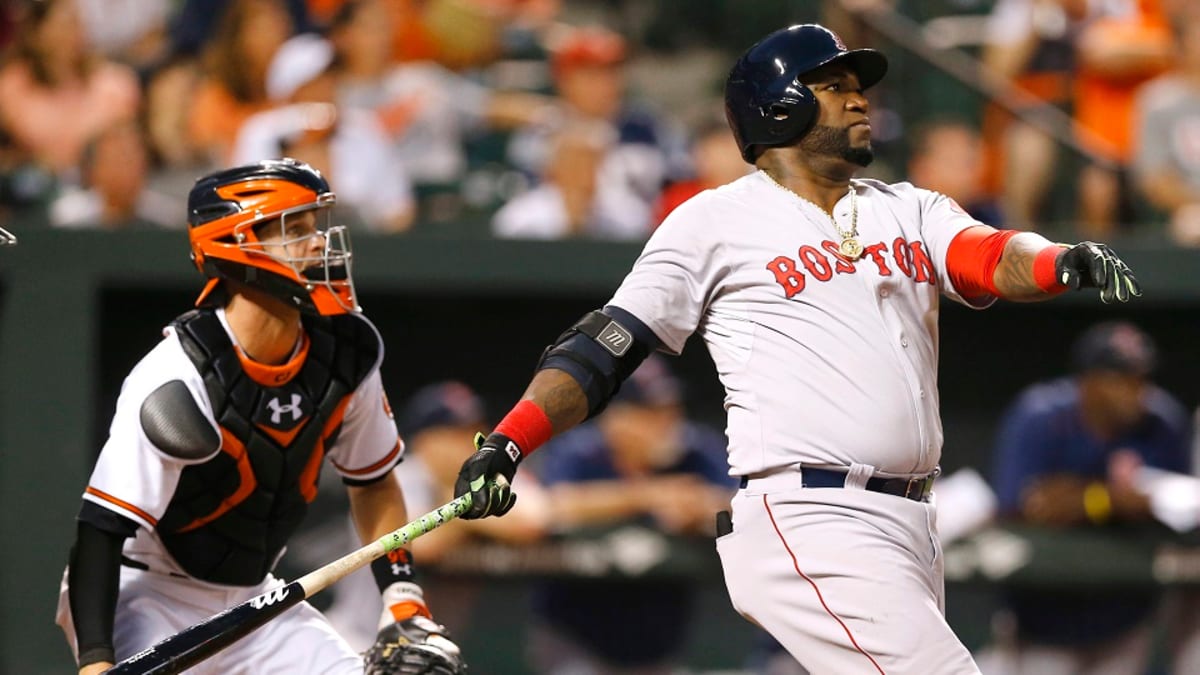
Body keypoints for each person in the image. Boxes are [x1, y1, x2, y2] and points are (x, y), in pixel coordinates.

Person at [450, 24, 1142, 675]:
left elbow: (989, 254)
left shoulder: (909, 208)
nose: (858, 96)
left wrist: (1057, 260)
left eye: (856, 84)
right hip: (810, 512)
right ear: (777, 105)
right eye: (834, 84)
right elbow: (604, 346)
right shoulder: (715, 221)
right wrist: (508, 442)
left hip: (909, 523)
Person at [54, 158, 464, 675]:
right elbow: (101, 531)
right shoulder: (177, 375)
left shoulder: (347, 352)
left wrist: (403, 601)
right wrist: (96, 664)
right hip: (147, 592)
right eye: (294, 229)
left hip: (255, 600)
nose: (317, 243)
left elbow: (375, 482)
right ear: (235, 243)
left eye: (314, 227)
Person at [981, 321, 1190, 675]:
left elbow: (1184, 508)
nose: (1135, 390)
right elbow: (1021, 508)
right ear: (1088, 381)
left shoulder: (1162, 423)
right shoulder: (1041, 416)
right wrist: (1108, 500)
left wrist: (1077, 499)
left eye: (1141, 378)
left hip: (1124, 618)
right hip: (1043, 623)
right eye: (1120, 378)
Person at [526, 356, 737, 674]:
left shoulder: (696, 450)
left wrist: (697, 508)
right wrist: (646, 495)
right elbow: (553, 505)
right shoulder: (581, 450)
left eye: (670, 409)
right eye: (649, 413)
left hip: (657, 643)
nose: (667, 422)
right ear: (616, 418)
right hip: (573, 636)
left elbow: (740, 501)